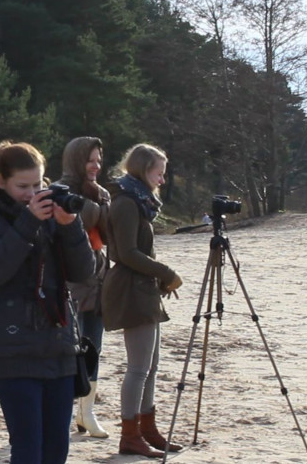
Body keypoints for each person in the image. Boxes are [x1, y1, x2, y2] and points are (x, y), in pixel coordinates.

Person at [0, 142, 95, 464]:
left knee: (56, 451)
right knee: (27, 450)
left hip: (59, 346)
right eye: (23, 186)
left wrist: (70, 226)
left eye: (38, 184)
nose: (32, 193)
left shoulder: (53, 216)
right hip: (14, 350)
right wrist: (27, 221)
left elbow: (84, 272)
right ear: (0, 182)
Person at [101, 143, 184, 458]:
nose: (161, 180)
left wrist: (160, 277)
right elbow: (127, 253)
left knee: (151, 366)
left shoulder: (139, 200)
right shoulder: (126, 202)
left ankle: (148, 430)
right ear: (142, 169)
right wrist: (166, 272)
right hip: (130, 288)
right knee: (138, 367)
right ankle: (130, 434)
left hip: (143, 287)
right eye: (158, 173)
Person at [55, 136, 110, 438]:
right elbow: (79, 221)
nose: (96, 166)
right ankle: (64, 414)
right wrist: (94, 203)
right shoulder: (61, 190)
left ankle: (86, 413)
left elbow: (108, 232)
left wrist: (100, 201)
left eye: (99, 160)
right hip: (70, 281)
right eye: (90, 159)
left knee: (94, 348)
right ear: (76, 160)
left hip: (98, 277)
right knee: (69, 349)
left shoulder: (99, 192)